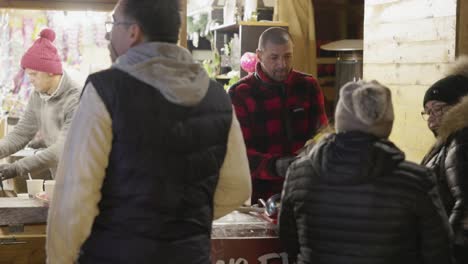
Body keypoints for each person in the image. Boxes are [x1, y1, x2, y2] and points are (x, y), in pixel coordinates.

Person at [46, 0, 251, 263]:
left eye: (113, 24)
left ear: (133, 32)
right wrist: (182, 221)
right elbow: (238, 188)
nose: (109, 33)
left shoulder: (107, 90)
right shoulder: (217, 98)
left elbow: (74, 201)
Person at [279, 80, 453, 264]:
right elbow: (439, 251)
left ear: (340, 118)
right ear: (387, 122)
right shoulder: (416, 180)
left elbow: (288, 240)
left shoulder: (300, 173)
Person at [228, 27, 328, 203]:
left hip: (306, 187)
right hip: (263, 194)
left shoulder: (308, 85)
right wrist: (278, 165)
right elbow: (238, 153)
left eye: (288, 56)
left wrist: (317, 146)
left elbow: (323, 132)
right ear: (259, 55)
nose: (282, 64)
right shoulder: (240, 93)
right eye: (274, 58)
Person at [0, 28, 80, 182]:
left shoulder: (76, 98)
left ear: (50, 72)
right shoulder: (39, 95)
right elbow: (21, 134)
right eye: (28, 74)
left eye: (34, 74)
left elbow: (62, 149)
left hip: (86, 181)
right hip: (61, 181)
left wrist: (16, 168)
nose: (30, 79)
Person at [421, 57, 468, 263]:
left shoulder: (461, 140)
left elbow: (465, 202)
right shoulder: (448, 140)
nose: (432, 118)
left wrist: (448, 247)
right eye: (428, 112)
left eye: (439, 109)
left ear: (458, 106)